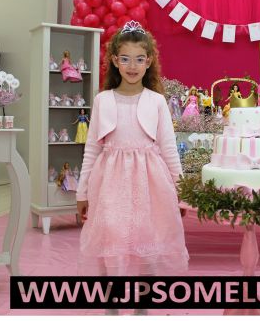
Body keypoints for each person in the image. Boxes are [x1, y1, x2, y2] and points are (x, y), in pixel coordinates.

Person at [75, 21, 188, 316]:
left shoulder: (157, 101)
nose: (132, 66)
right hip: (110, 183)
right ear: (115, 60)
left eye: (139, 59)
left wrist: (181, 190)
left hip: (149, 183)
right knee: (110, 239)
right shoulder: (103, 100)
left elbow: (168, 148)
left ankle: (142, 307)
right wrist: (82, 191)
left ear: (148, 61)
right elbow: (92, 149)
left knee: (146, 240)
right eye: (125, 59)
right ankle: (111, 306)